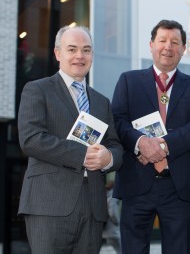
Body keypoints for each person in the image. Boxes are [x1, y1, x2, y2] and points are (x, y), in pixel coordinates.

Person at [17, 26, 123, 253]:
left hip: (92, 206)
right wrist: (83, 155)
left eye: (86, 50)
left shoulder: (101, 102)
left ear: (92, 55)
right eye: (72, 49)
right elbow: (31, 139)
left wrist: (108, 158)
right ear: (57, 53)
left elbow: (115, 145)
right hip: (48, 204)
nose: (79, 56)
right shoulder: (37, 90)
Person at [111, 19, 190, 254]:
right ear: (151, 45)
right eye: (162, 40)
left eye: (175, 42)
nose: (168, 46)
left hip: (177, 187)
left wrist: (164, 145)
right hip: (137, 182)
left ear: (184, 48)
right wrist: (141, 143)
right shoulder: (129, 80)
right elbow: (117, 121)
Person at [102, 178, 122, 254]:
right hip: (112, 230)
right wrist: (117, 221)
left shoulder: (106, 193)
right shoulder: (113, 195)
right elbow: (112, 211)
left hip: (106, 230)